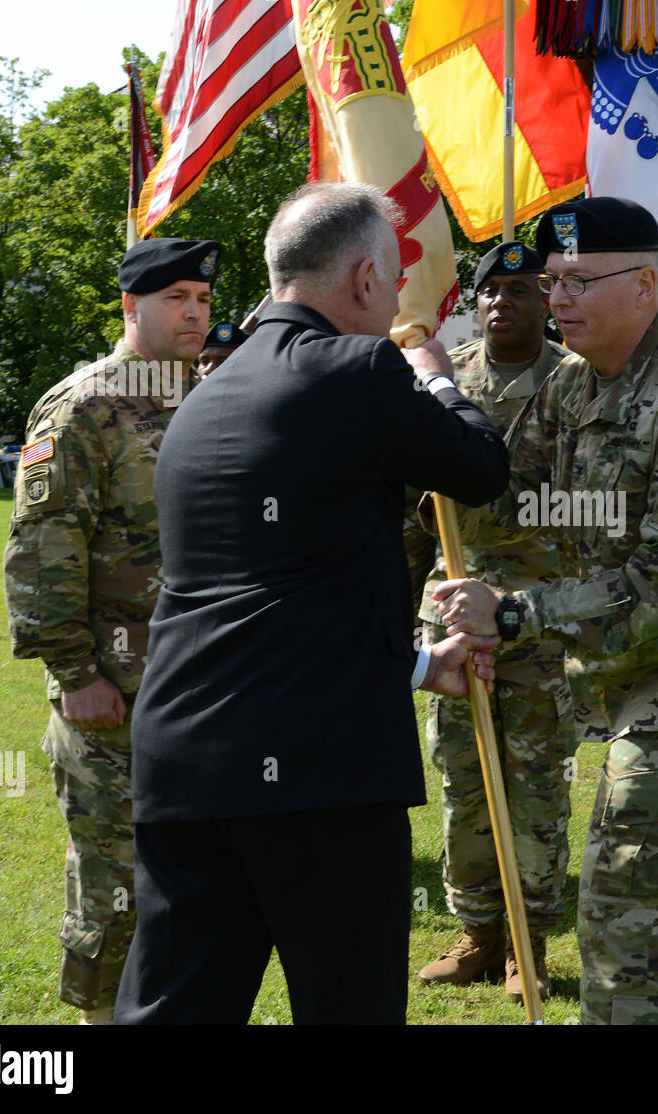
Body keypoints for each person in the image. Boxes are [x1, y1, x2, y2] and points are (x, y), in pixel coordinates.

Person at [113, 182, 509, 1025]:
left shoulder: (205, 393)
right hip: (318, 773)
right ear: (365, 278)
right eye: (398, 279)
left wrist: (409, 665)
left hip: (186, 756)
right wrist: (435, 378)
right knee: (347, 1005)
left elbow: (265, 592)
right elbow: (480, 467)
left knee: (177, 1009)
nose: (401, 299)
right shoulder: (361, 369)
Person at [433, 196, 658, 1025]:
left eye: (580, 282)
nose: (558, 301)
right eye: (553, 282)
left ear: (648, 286)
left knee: (626, 910)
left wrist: (514, 613)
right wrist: (432, 413)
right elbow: (516, 497)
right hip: (629, 678)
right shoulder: (575, 388)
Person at [3, 236, 219, 1024]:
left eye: (202, 299)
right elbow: (41, 550)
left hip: (194, 686)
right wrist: (74, 673)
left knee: (186, 879)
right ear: (132, 306)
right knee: (116, 879)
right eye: (175, 300)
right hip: (112, 694)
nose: (193, 313)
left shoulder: (208, 394)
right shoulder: (83, 406)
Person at [412, 241, 576, 1003]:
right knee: (465, 777)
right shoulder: (439, 384)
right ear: (473, 304)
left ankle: (527, 943)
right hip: (451, 612)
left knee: (535, 783)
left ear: (548, 301)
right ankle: (479, 932)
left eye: (520, 289)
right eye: (490, 292)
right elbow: (408, 502)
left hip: (538, 619)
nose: (502, 302)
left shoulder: (577, 383)